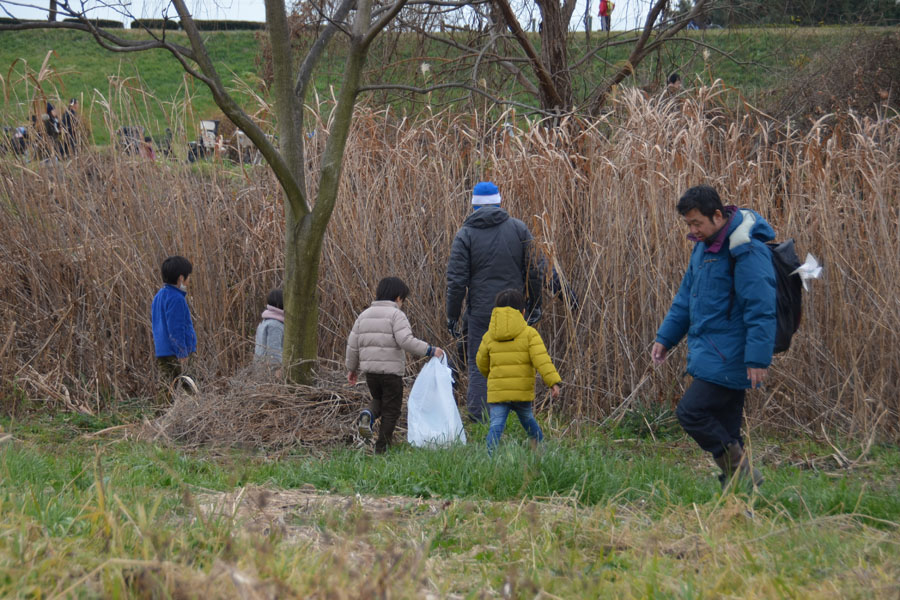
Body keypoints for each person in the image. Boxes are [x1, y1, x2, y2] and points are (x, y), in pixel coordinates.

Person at [651, 185, 775, 490]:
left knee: (691, 412)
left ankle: (743, 476)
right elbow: (685, 299)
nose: (693, 231)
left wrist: (758, 357)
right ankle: (741, 496)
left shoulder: (745, 249)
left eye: (697, 223)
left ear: (717, 215)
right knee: (729, 430)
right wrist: (666, 337)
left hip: (731, 356)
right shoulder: (703, 248)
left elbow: (761, 306)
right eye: (688, 224)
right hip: (711, 353)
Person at [446, 181, 543, 423]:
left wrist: (452, 314)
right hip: (515, 311)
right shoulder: (519, 229)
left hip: (480, 312)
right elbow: (534, 271)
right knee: (518, 361)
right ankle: (521, 416)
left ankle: (479, 418)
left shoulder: (465, 235)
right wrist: (535, 304)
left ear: (474, 206)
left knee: (481, 365)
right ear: (499, 202)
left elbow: (457, 281)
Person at [346, 277, 444, 454]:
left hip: (371, 373)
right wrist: (430, 350)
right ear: (398, 298)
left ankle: (368, 414)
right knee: (392, 410)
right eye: (403, 300)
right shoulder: (396, 315)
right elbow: (405, 340)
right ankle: (382, 448)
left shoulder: (364, 315)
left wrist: (351, 369)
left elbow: (353, 344)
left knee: (378, 400)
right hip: (391, 373)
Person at [476, 289, 561, 455]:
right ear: (523, 312)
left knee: (496, 425)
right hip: (521, 391)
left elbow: (481, 362)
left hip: (498, 390)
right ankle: (541, 452)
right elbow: (542, 360)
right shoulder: (529, 334)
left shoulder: (489, 336)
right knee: (528, 420)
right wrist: (553, 382)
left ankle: (490, 456)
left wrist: (493, 376)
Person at [152, 256, 197, 400]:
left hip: (163, 350)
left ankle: (161, 417)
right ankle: (192, 414)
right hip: (178, 352)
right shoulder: (177, 299)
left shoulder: (158, 296)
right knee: (189, 386)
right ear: (181, 278)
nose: (189, 281)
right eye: (188, 277)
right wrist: (182, 352)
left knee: (166, 387)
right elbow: (176, 328)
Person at [254, 288, 284, 366]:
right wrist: (277, 369)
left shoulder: (264, 322)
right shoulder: (275, 325)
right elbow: (274, 351)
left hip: (260, 369)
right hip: (269, 372)